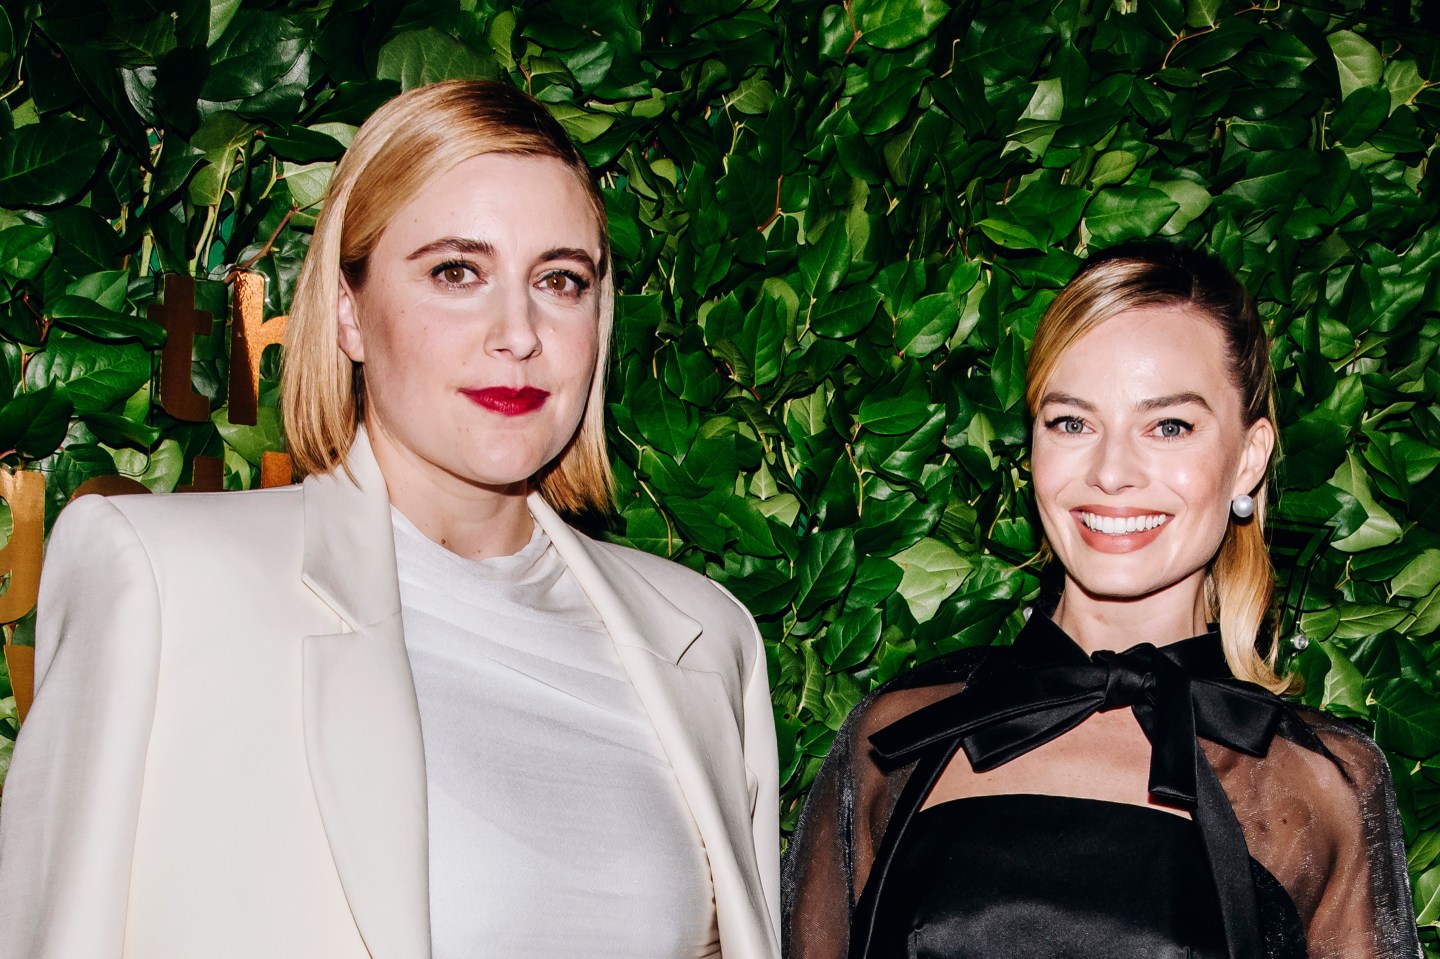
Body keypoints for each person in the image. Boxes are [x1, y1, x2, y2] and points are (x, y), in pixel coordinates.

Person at [0, 80, 780, 959]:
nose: (516, 331)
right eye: (458, 272)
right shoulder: (168, 582)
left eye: (560, 280)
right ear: (347, 310)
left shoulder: (704, 637)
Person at [782, 243, 1419, 959]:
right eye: (1071, 423)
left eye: (1168, 426)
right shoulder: (899, 738)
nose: (1112, 471)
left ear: (1249, 455)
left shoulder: (1321, 783)